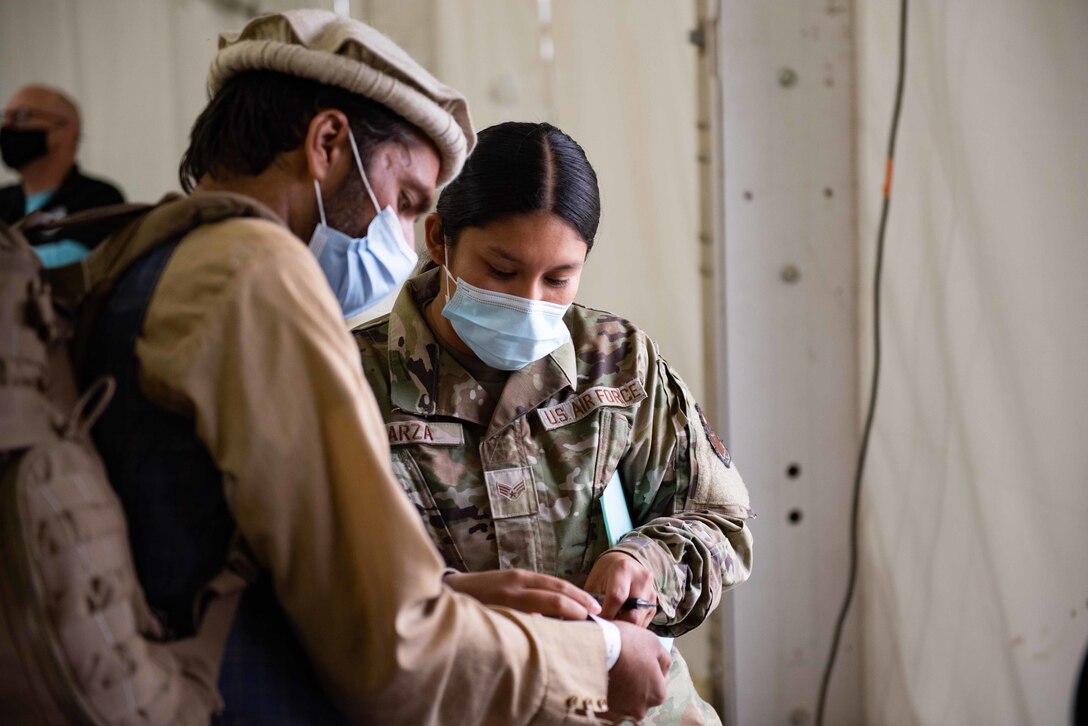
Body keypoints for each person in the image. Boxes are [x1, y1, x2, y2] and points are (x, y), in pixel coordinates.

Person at [77, 11, 668, 725]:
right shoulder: (258, 277)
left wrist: (449, 592)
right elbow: (395, 650)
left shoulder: (139, 257)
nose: (403, 236)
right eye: (407, 200)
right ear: (328, 143)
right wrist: (600, 657)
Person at [353, 121, 755, 724]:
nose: (531, 301)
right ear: (439, 239)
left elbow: (720, 522)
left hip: (630, 704)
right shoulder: (349, 382)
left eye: (559, 278)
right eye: (502, 271)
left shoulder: (616, 362)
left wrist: (647, 565)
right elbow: (320, 593)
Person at [0, 84, 124, 266]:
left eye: (22, 116)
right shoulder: (3, 201)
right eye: (6, 117)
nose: (8, 126)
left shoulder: (99, 198)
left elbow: (79, 263)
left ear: (64, 132)